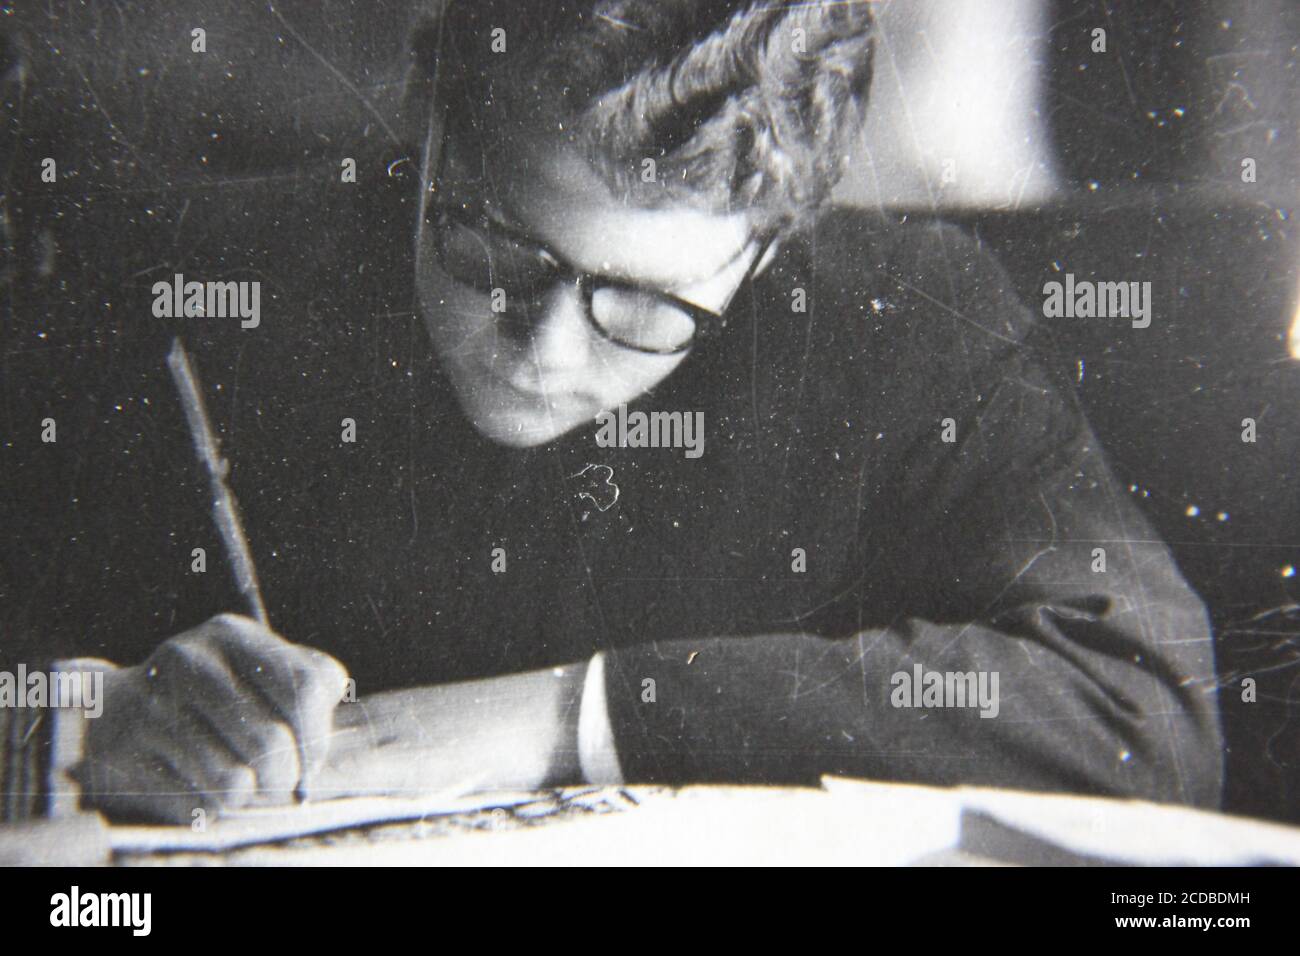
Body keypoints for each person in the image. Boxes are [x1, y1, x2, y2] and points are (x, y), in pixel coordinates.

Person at [24, 0, 1222, 822]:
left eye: (644, 307)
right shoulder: (190, 275)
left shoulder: (903, 320)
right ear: (432, 129)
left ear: (764, 254)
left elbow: (1140, 707)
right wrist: (77, 720)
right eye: (490, 244)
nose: (542, 350)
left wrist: (577, 716)